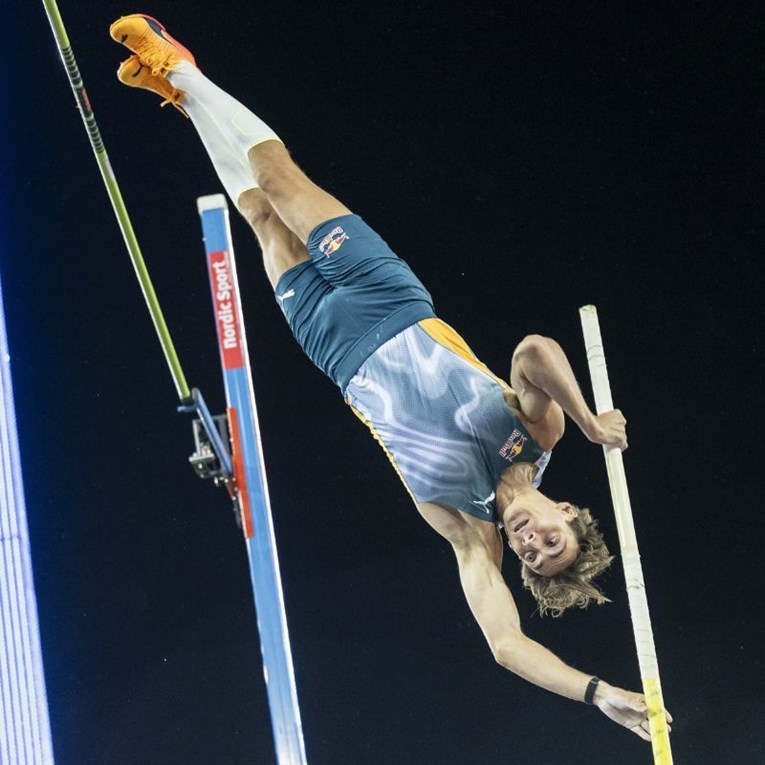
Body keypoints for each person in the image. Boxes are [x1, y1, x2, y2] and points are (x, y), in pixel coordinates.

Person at [109, 14, 671, 741]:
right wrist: (590, 419)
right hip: (388, 296)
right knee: (279, 179)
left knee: (257, 217)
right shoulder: (539, 433)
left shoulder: (470, 533)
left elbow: (504, 645)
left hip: (333, 349)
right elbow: (533, 350)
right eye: (552, 539)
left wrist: (594, 692)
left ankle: (181, 93)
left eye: (533, 556)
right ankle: (180, 67)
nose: (532, 544)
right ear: (566, 510)